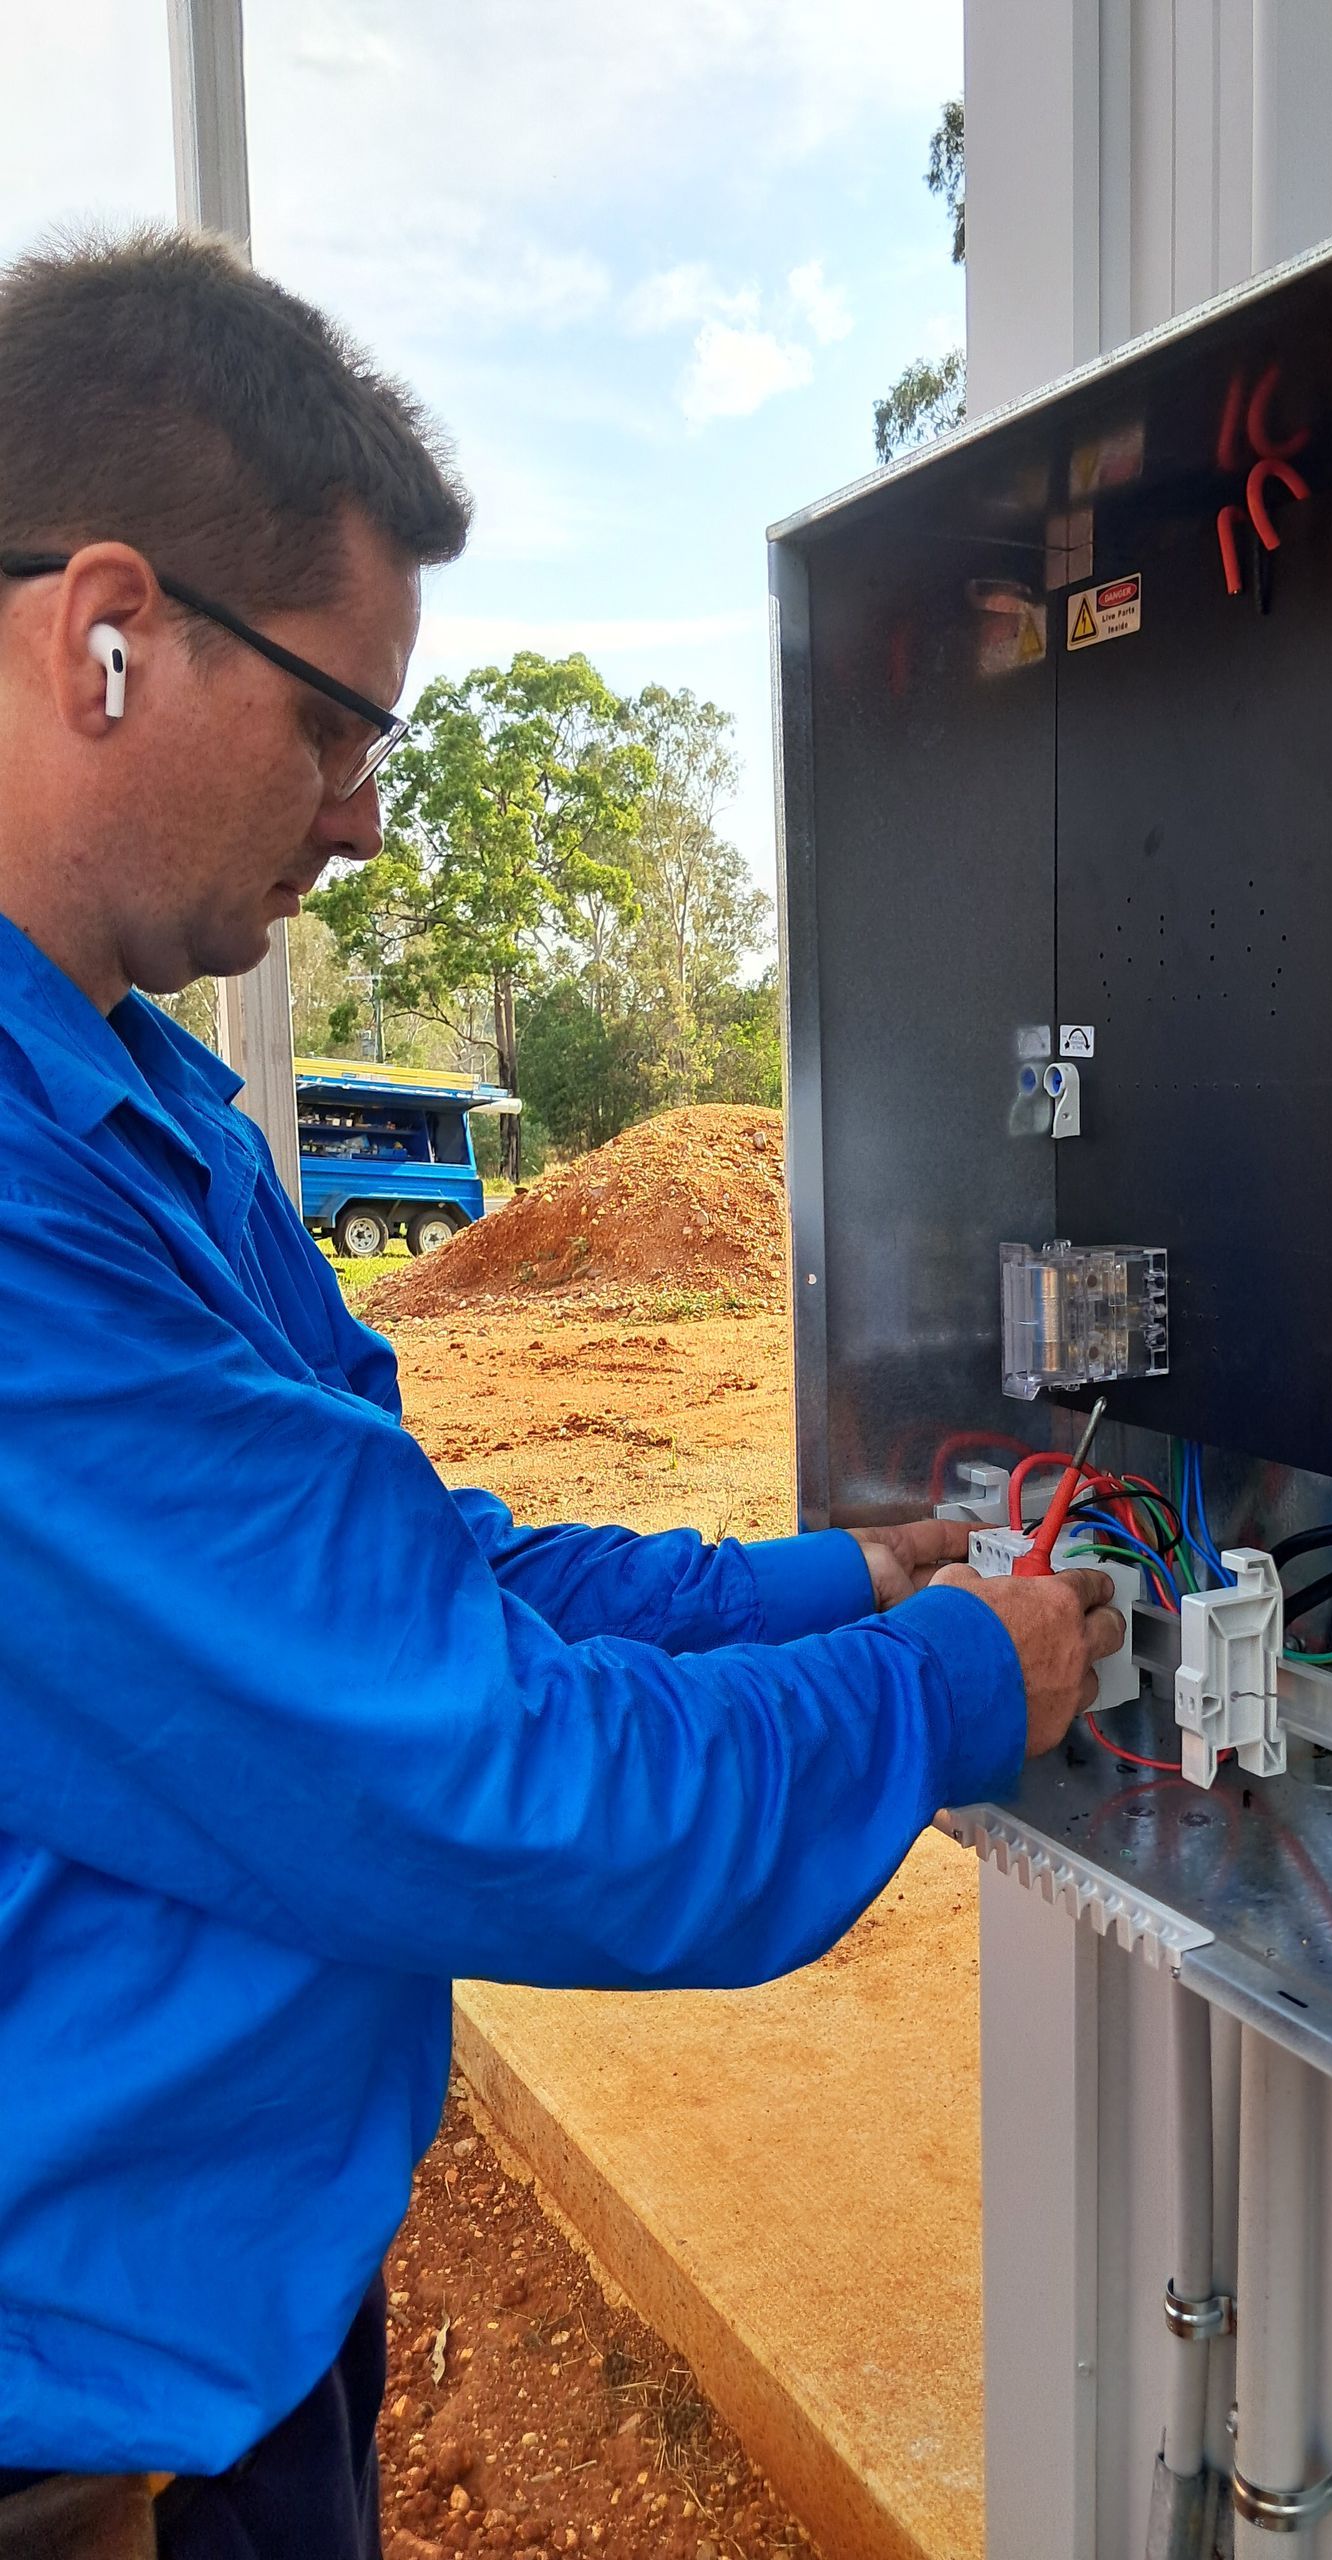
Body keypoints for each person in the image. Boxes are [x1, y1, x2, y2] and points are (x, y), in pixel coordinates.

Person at [0, 231, 1124, 2559]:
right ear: (105, 630)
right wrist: (947, 1681)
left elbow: (423, 1579)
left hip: (231, 2362)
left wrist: (836, 1581)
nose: (359, 817)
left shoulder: (141, 1119)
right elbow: (493, 1777)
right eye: (336, 721)